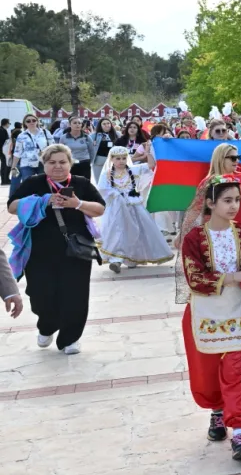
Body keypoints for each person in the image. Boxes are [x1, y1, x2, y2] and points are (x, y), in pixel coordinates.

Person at [180, 175, 241, 460]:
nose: (234, 206)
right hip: (206, 312)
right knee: (208, 372)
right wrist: (234, 276)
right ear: (210, 203)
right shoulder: (194, 238)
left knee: (237, 372)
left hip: (240, 309)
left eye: (237, 200)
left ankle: (239, 431)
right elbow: (194, 277)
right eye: (227, 200)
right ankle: (217, 411)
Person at [6, 143, 106, 354]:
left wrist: (77, 204)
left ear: (70, 163)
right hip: (39, 252)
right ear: (44, 164)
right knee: (41, 295)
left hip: (76, 250)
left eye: (62, 162)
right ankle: (47, 326)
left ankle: (70, 338)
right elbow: (12, 207)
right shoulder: (34, 182)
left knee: (76, 295)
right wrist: (42, 201)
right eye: (52, 162)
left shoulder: (81, 183)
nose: (57, 166)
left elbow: (100, 209)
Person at [97, 146, 172, 272]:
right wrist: (116, 194)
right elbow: (102, 188)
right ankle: (116, 259)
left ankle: (132, 258)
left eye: (123, 158)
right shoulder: (107, 174)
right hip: (117, 207)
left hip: (134, 206)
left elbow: (151, 165)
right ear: (112, 159)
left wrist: (148, 153)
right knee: (117, 231)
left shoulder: (133, 169)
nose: (121, 161)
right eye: (118, 159)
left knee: (137, 230)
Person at [10, 114, 53, 182]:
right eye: (28, 121)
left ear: (37, 121)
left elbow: (53, 147)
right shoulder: (21, 136)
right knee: (28, 184)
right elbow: (17, 152)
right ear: (25, 123)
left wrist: (46, 152)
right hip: (27, 164)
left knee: (44, 183)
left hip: (43, 162)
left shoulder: (45, 133)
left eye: (34, 120)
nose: (31, 122)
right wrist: (13, 167)